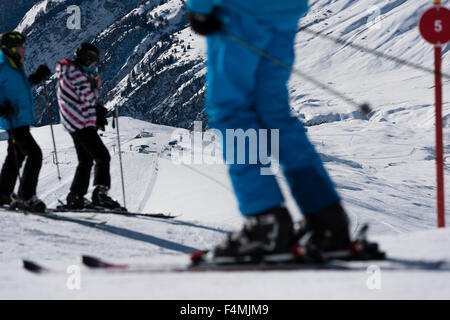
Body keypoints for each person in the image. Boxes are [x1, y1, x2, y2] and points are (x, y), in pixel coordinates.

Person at [187, 0, 350, 258]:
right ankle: (327, 219)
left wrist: (200, 7)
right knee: (273, 112)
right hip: (285, 11)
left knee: (231, 111)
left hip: (238, 12)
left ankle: (266, 223)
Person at [55, 42, 123, 210]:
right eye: (93, 59)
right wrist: (94, 88)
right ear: (85, 58)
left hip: (77, 122)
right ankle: (100, 195)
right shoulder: (75, 74)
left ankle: (76, 196)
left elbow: (80, 98)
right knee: (102, 157)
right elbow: (84, 97)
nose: (94, 63)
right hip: (80, 123)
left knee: (85, 160)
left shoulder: (73, 73)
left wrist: (96, 111)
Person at [0, 31, 50, 212]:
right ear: (12, 47)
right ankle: (26, 197)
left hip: (19, 119)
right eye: (22, 45)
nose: (25, 48)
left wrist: (35, 78)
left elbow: (20, 89)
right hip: (13, 121)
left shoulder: (14, 66)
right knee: (34, 155)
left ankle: (3, 193)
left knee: (16, 157)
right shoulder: (2, 67)